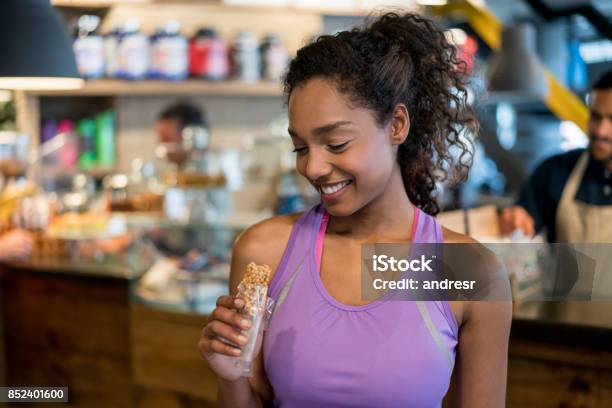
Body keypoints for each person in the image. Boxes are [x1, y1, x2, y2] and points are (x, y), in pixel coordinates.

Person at [198, 12, 511, 407]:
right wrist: (231, 378)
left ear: (397, 125)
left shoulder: (466, 271)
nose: (311, 167)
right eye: (300, 147)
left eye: (337, 144)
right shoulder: (265, 252)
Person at [500, 69, 612, 242]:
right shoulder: (555, 171)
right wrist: (515, 219)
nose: (600, 131)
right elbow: (520, 220)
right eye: (595, 117)